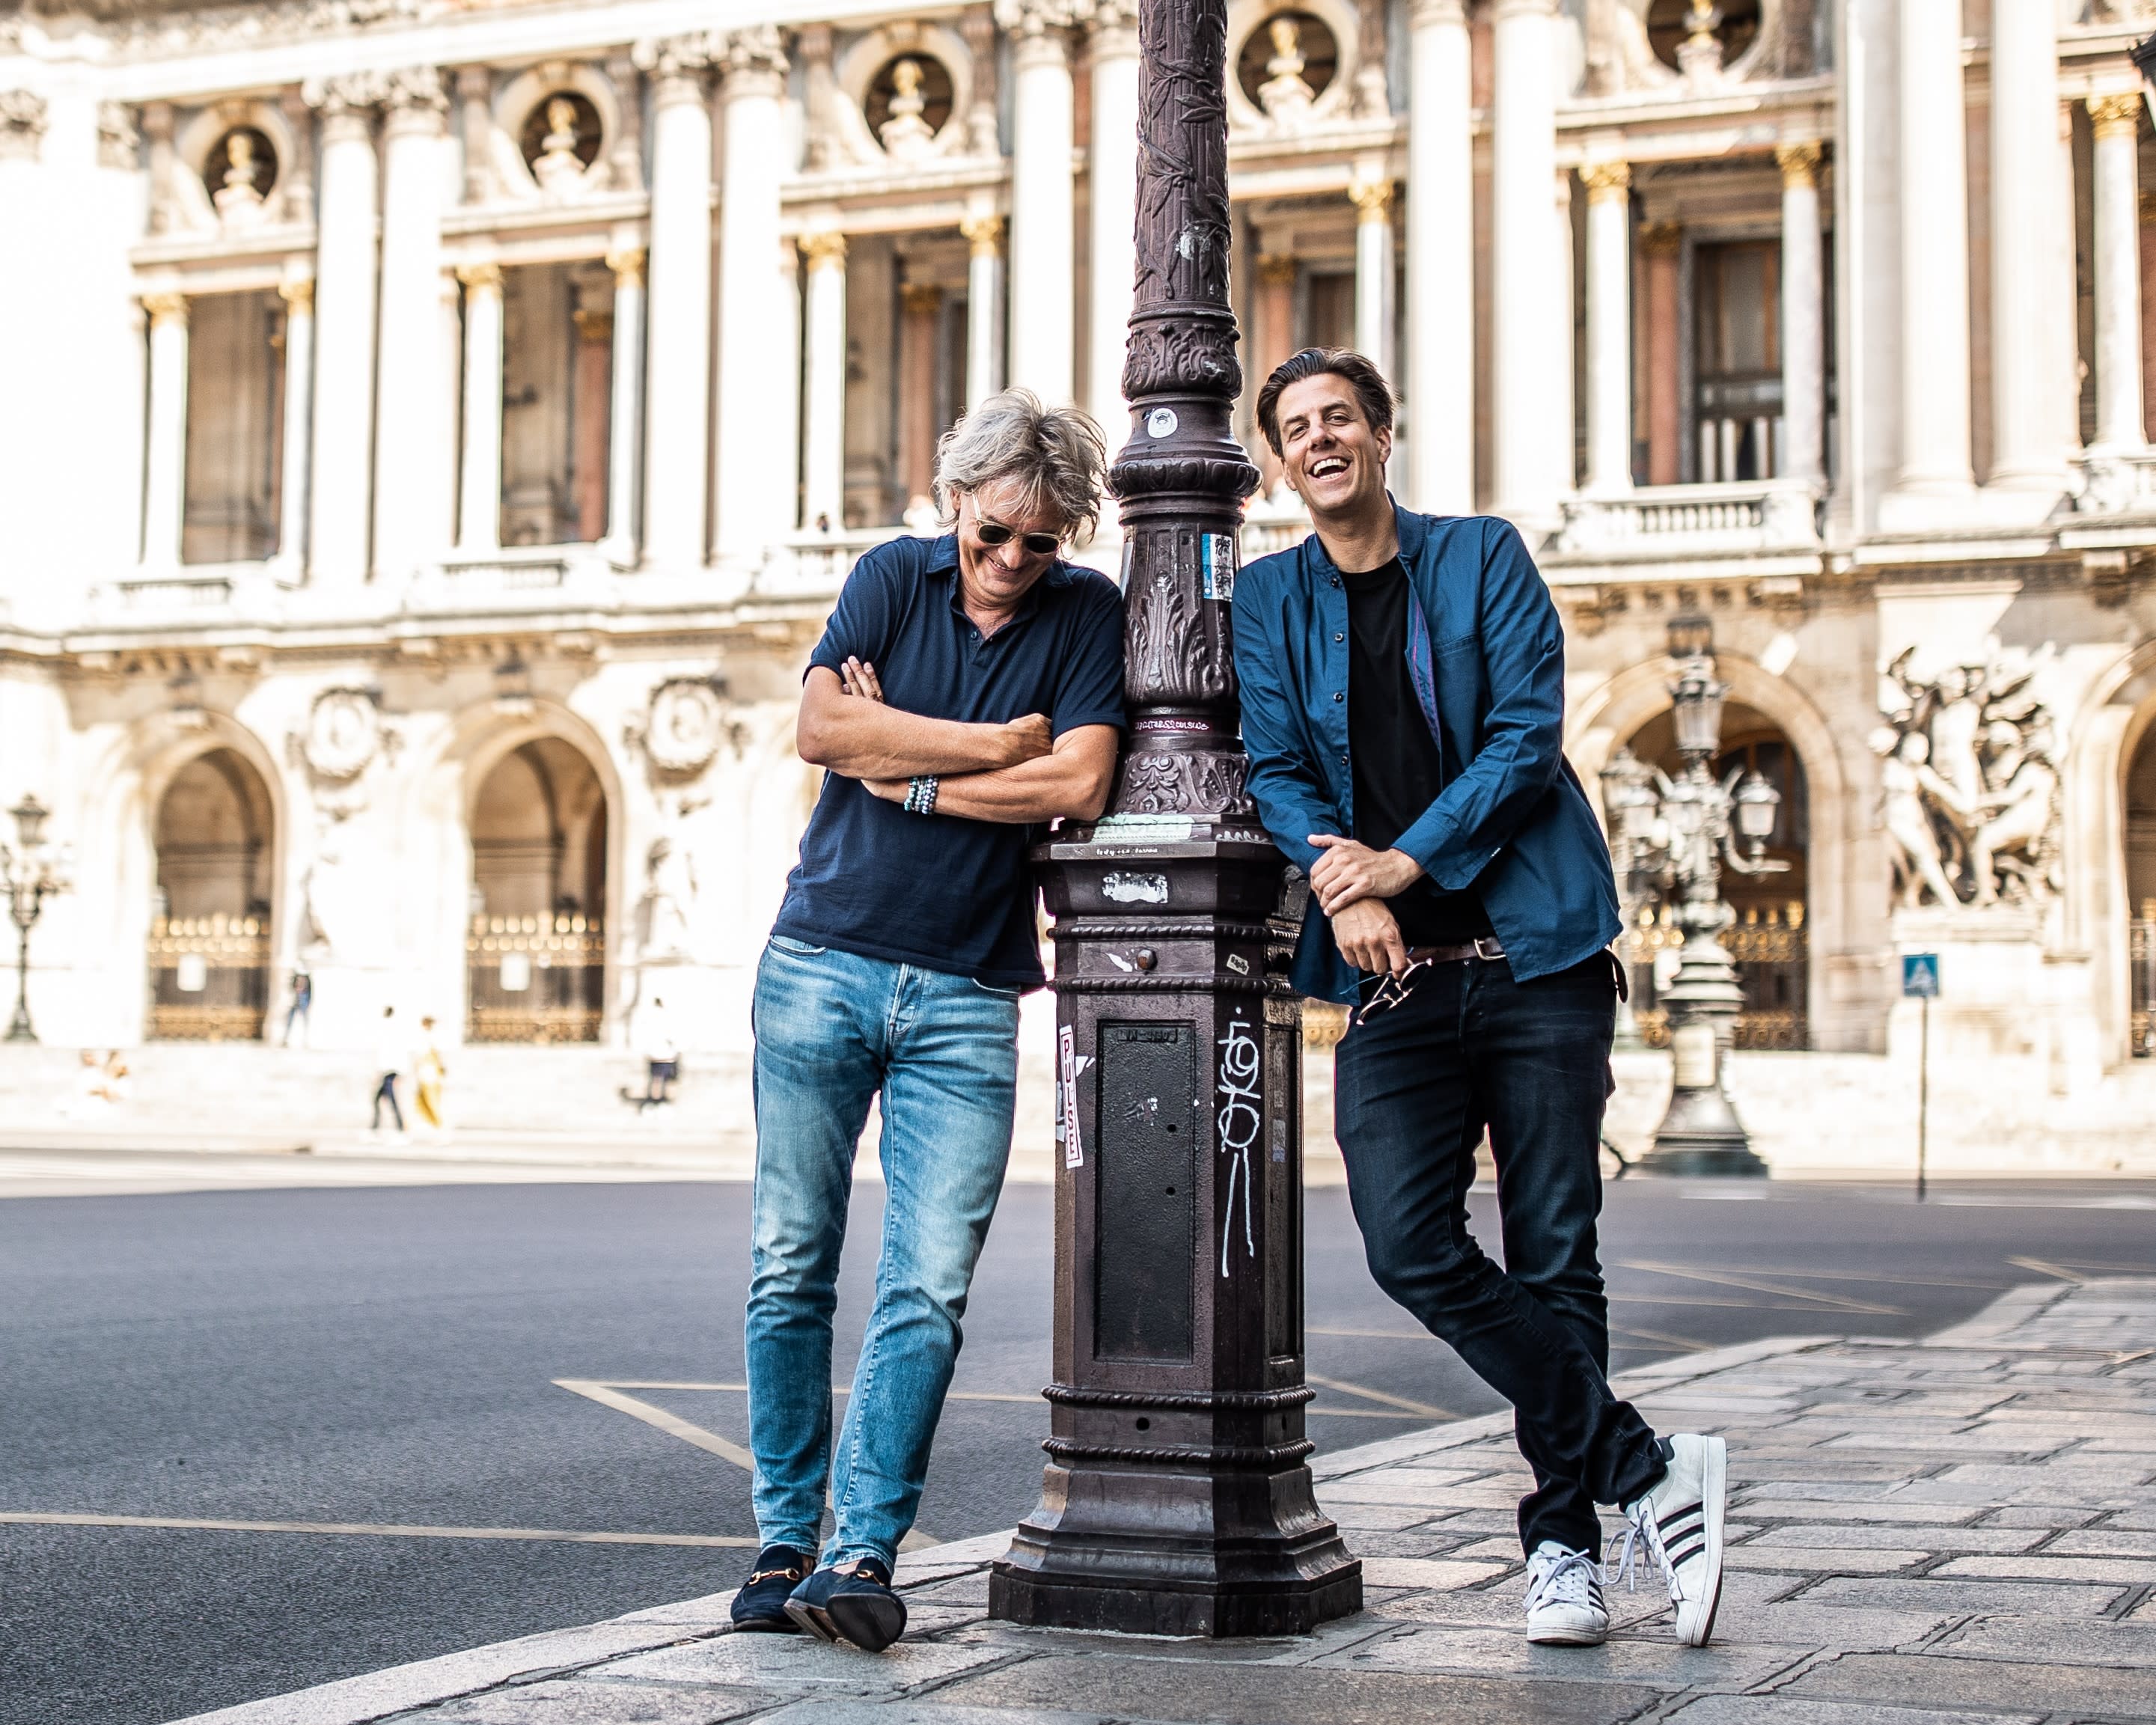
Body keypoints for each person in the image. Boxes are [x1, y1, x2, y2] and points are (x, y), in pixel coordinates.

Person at [1230, 348, 1730, 1649]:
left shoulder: (1483, 557)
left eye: (1340, 417)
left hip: (1537, 962)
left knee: (1556, 1256)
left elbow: (1524, 737)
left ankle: (1562, 1542)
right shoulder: (1268, 597)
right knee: (1408, 1246)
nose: (1320, 440)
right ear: (1281, 463)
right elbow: (1274, 767)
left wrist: (1404, 861)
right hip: (1393, 981)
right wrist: (1346, 889)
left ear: (1383, 436)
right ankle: (1646, 1469)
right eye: (1295, 428)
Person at [729, 390, 1123, 1652]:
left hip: (967, 989)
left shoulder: (1087, 614)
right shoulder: (890, 576)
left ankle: (858, 1555)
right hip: (819, 963)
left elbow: (1075, 779)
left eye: (1041, 543)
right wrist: (983, 745)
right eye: (994, 533)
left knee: (927, 1289)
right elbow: (818, 726)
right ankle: (783, 1538)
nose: (1013, 563)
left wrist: (903, 776)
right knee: (790, 1265)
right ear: (956, 502)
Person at [369, 1004, 406, 1135]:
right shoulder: (392, 1029)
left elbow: (386, 1054)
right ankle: (376, 1127)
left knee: (389, 1101)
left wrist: (379, 1072)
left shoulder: (387, 1030)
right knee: (379, 1100)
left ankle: (400, 1128)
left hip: (389, 1072)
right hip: (389, 1071)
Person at [639, 997, 680, 1111]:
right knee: (663, 1078)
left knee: (655, 1078)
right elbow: (672, 1036)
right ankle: (659, 1101)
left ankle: (654, 1101)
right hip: (665, 1054)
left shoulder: (649, 1017)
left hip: (654, 1054)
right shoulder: (666, 1017)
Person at [413, 1015, 447, 1132]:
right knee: (422, 1099)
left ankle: (438, 1124)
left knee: (432, 1099)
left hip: (429, 1072)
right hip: (427, 1072)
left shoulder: (428, 1038)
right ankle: (430, 1122)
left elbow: (430, 1056)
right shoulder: (428, 1037)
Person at [284, 970, 312, 1048]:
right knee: (290, 1020)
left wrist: (308, 1001)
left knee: (304, 1020)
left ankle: (305, 1039)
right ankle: (286, 1038)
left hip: (303, 999)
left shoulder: (307, 979)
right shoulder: (295, 977)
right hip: (296, 1000)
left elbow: (310, 992)